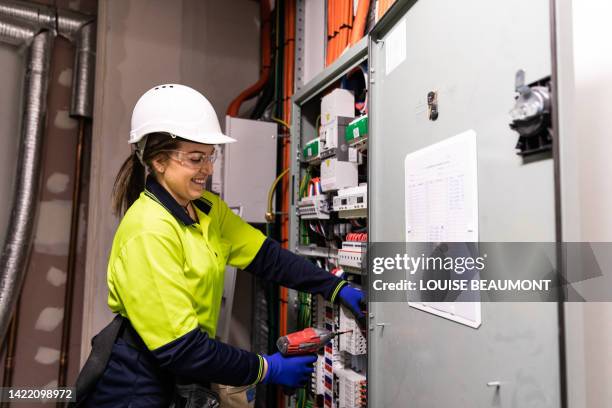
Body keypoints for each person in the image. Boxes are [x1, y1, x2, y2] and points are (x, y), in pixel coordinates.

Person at [85, 84, 365, 407]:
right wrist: (267, 368)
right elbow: (183, 349)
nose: (208, 169)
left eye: (210, 156)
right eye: (195, 159)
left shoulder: (205, 208)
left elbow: (267, 257)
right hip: (137, 385)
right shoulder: (148, 231)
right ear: (159, 161)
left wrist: (335, 287)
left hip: (180, 373)